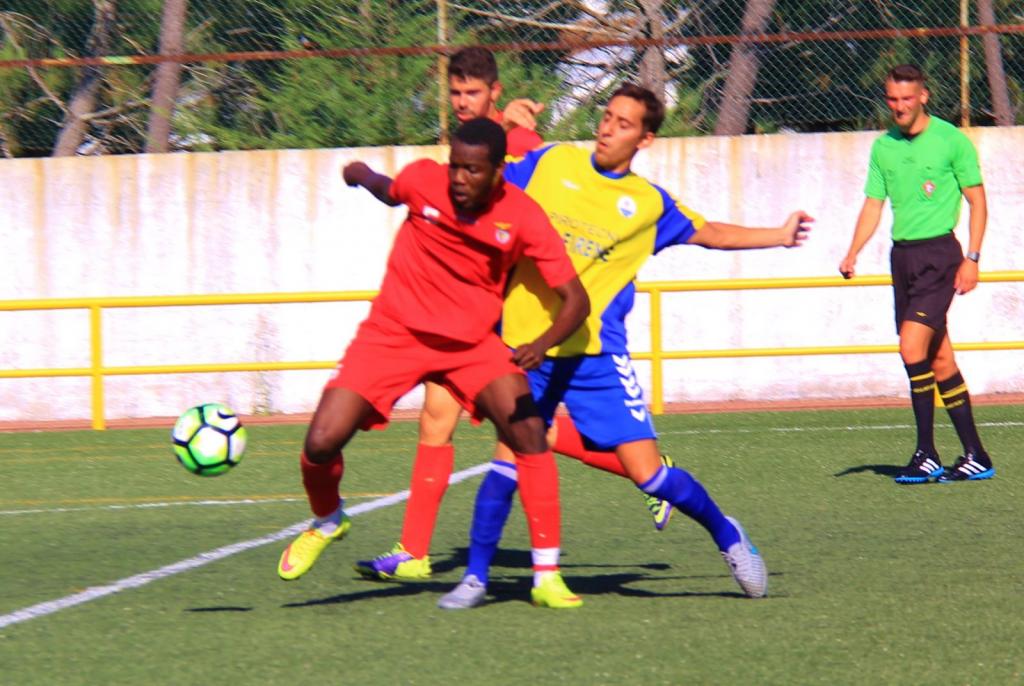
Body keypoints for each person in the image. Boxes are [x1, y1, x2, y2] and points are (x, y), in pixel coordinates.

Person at [423, 83, 811, 609]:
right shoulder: (551, 164)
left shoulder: (648, 205)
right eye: (607, 116)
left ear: (645, 140)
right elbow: (485, 187)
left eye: (623, 123)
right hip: (526, 348)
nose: (607, 128)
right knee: (508, 460)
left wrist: (780, 235)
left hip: (596, 355)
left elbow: (712, 232)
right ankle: (474, 578)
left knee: (649, 475)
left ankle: (728, 535)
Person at [353, 50, 672, 585]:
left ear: (494, 94)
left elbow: (560, 188)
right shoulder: (473, 143)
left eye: (472, 94)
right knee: (443, 421)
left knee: (526, 434)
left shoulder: (518, 146)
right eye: (454, 94)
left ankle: (644, 475)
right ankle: (413, 551)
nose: (461, 103)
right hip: (462, 313)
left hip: (505, 317)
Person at [275, 117, 592, 609]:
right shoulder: (426, 180)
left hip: (471, 345)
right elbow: (389, 189)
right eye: (455, 167)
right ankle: (328, 520)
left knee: (528, 433)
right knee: (320, 442)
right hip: (393, 333)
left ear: (498, 173)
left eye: (472, 171)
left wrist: (542, 342)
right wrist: (359, 173)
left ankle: (546, 576)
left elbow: (576, 300)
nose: (459, 179)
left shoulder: (524, 217)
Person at [839, 64, 995, 485]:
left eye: (907, 99)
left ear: (923, 96)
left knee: (911, 348)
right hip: (903, 258)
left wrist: (973, 258)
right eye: (893, 99)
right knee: (939, 357)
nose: (899, 107)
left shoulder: (950, 141)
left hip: (940, 256)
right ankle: (976, 454)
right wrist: (853, 250)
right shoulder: (883, 148)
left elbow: (978, 202)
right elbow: (874, 204)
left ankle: (926, 453)